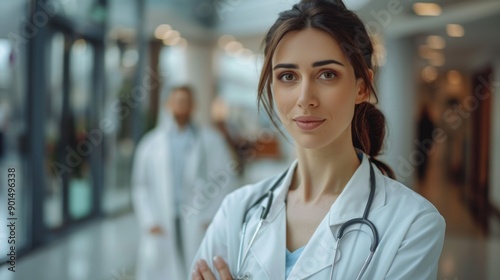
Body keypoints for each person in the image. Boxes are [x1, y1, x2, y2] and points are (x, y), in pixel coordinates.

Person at [190, 1, 446, 279]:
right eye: (288, 76)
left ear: (362, 88)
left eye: (327, 74)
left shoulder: (413, 224)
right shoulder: (237, 211)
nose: (304, 99)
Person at [131, 85, 237, 280]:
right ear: (168, 105)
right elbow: (140, 186)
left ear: (192, 106)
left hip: (198, 218)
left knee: (198, 266)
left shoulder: (210, 140)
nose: (181, 106)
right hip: (162, 218)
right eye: (176, 101)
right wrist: (149, 220)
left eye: (185, 102)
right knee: (161, 269)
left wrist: (212, 215)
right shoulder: (150, 144)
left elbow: (225, 179)